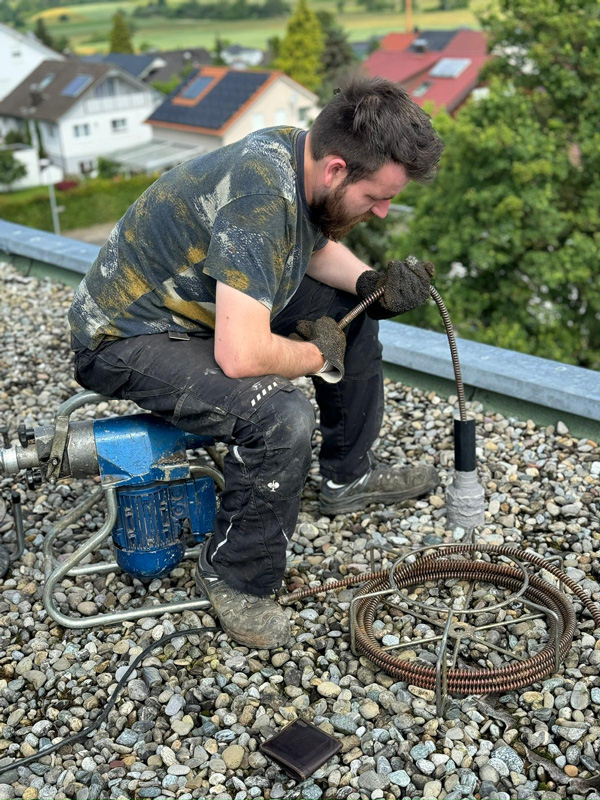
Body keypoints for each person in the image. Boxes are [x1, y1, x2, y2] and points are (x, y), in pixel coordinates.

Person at [68, 76, 444, 649]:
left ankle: (348, 475)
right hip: (125, 335)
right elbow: (240, 354)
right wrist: (316, 355)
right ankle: (236, 577)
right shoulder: (261, 200)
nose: (384, 212)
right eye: (376, 198)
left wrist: (371, 286)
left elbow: (312, 249)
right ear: (336, 170)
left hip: (194, 305)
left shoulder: (299, 155)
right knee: (280, 414)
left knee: (353, 312)